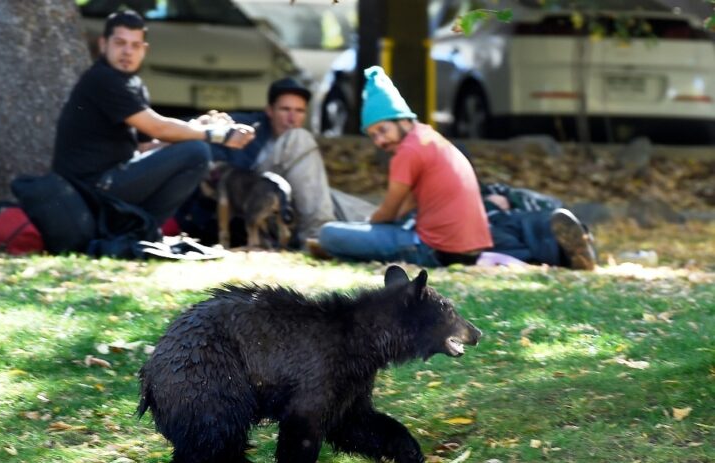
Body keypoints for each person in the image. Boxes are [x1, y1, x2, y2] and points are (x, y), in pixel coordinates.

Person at [317, 66, 596, 270]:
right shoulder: (429, 138)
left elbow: (389, 210)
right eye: (373, 135)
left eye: (383, 130)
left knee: (330, 234)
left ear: (402, 119)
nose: (379, 140)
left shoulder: (408, 151)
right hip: (467, 246)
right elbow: (406, 205)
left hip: (433, 250)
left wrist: (367, 226)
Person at [52, 9, 255, 228]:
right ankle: (143, 231)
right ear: (104, 44)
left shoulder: (132, 84)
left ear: (144, 50)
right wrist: (217, 135)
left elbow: (145, 147)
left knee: (192, 148)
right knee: (197, 151)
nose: (127, 52)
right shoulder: (104, 79)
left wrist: (194, 127)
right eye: (120, 43)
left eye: (135, 45)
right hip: (87, 190)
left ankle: (138, 230)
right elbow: (158, 128)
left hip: (110, 181)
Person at [204, 77, 375, 247]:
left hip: (289, 206)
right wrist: (213, 126)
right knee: (299, 137)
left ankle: (382, 227)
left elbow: (312, 191)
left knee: (333, 198)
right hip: (257, 201)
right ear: (269, 111)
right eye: (285, 110)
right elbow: (205, 148)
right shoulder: (248, 126)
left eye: (299, 111)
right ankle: (317, 233)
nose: (292, 118)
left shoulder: (296, 146)